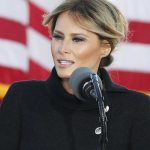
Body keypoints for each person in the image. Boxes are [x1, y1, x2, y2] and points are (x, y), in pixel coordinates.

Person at [0, 0, 150, 149]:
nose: (62, 48)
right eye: (58, 37)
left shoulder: (137, 109)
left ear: (105, 47)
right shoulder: (22, 97)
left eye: (77, 39)